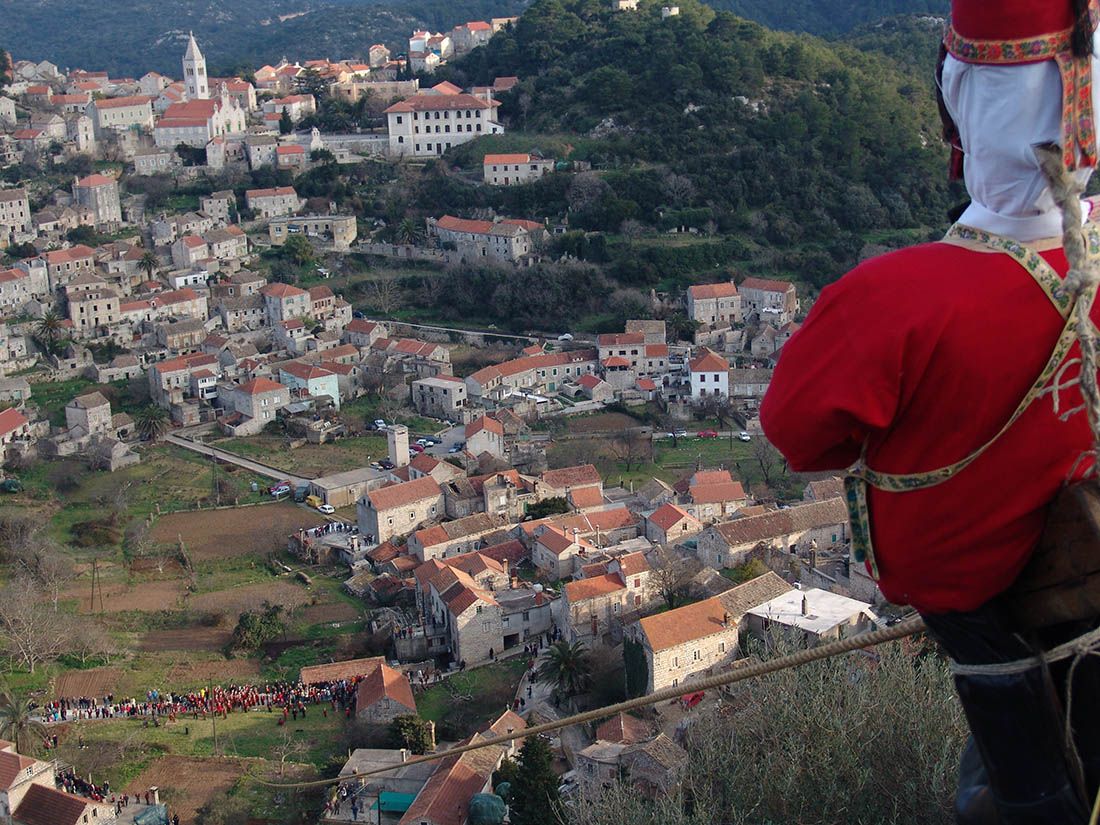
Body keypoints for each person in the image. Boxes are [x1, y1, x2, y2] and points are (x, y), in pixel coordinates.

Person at [761, 1, 1100, 822]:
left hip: (972, 592)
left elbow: (798, 434)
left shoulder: (896, 299)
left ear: (964, 106)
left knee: (1020, 778)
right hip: (1085, 565)